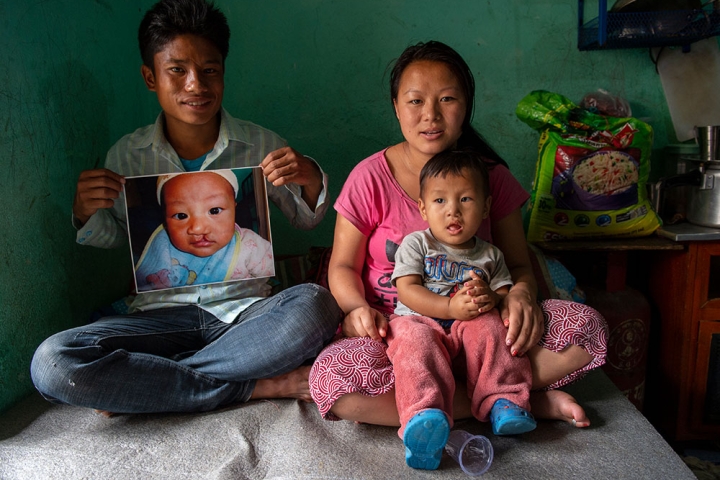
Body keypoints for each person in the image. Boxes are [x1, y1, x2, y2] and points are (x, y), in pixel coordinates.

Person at [30, 0, 342, 415]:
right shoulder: (126, 155)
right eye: (177, 70)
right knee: (52, 362)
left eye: (210, 70)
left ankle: (152, 381)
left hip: (245, 316)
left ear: (223, 73)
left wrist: (309, 177)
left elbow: (306, 220)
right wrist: (86, 211)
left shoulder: (262, 144)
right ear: (150, 77)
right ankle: (253, 387)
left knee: (316, 305)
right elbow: (117, 239)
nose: (196, 85)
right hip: (159, 321)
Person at [309, 40, 608, 428]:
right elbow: (343, 265)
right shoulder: (369, 177)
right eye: (415, 101)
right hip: (397, 332)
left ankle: (461, 399)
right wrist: (356, 310)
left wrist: (520, 296)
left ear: (465, 106)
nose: (430, 114)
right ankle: (512, 399)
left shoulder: (492, 178)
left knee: (586, 330)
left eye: (447, 99)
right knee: (334, 382)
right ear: (396, 107)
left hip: (485, 331)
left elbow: (517, 263)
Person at [390, 150, 535, 470]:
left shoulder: (490, 254)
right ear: (423, 208)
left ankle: (505, 400)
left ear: (485, 208)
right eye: (440, 201)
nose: (453, 210)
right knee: (413, 342)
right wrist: (448, 306)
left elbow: (502, 292)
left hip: (467, 324)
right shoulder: (417, 244)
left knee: (493, 327)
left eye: (466, 199)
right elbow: (407, 290)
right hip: (421, 319)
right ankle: (424, 417)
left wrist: (490, 298)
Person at [134, 170, 274, 291]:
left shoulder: (250, 245)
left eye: (214, 211)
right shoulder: (163, 246)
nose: (198, 228)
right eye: (181, 216)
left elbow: (267, 280)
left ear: (234, 209)